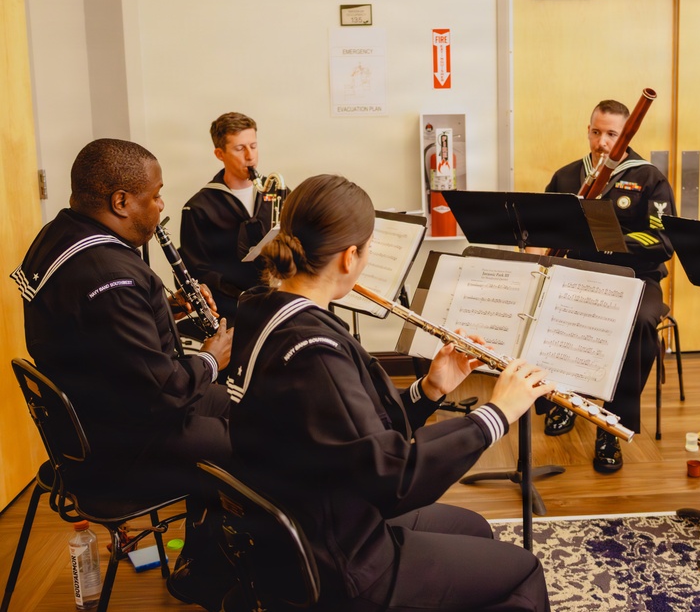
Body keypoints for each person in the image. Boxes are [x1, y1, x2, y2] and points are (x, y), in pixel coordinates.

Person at [227, 174, 553, 611]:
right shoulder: (313, 351)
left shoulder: (261, 309)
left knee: (473, 527)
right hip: (343, 556)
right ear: (350, 258)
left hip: (321, 508)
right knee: (524, 570)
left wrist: (429, 389)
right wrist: (496, 414)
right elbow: (396, 479)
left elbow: (350, 435)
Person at [10, 138, 237, 609]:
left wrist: (166, 309)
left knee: (237, 405)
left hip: (97, 416)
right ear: (120, 201)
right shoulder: (108, 273)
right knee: (257, 442)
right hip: (121, 447)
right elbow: (166, 391)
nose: (161, 205)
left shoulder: (60, 235)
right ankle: (220, 572)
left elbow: (103, 334)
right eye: (155, 195)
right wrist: (212, 358)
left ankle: (204, 555)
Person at [534, 99, 676, 474]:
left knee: (642, 322)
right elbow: (542, 227)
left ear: (625, 135)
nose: (602, 142)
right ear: (588, 131)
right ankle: (564, 400)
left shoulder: (649, 178)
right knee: (545, 307)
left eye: (611, 134)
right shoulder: (567, 177)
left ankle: (611, 424)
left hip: (636, 276)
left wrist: (609, 242)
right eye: (596, 132)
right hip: (578, 274)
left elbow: (663, 242)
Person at [180, 112, 283, 328]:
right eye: (239, 148)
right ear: (220, 154)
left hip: (279, 299)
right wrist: (242, 296)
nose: (250, 156)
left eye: (253, 146)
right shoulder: (198, 207)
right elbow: (198, 271)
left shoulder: (277, 192)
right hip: (232, 309)